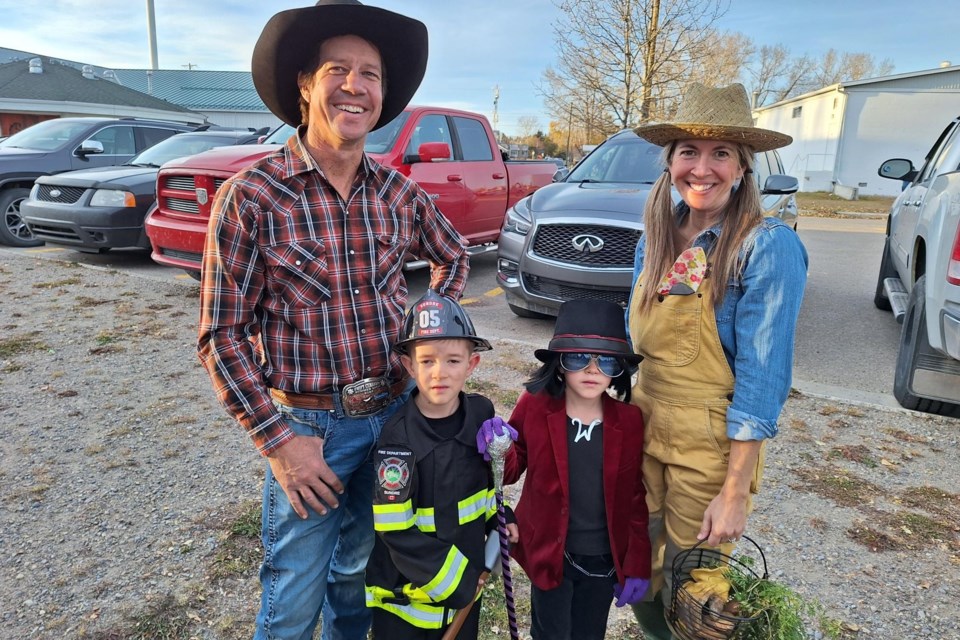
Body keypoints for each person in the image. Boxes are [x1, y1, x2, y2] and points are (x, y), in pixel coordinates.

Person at [196, 2, 470, 639]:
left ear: (382, 95)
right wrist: (280, 443)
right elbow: (221, 335)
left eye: (370, 74)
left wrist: (428, 331)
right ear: (304, 85)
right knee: (293, 591)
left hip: (393, 421)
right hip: (310, 428)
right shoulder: (254, 197)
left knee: (356, 573)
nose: (356, 85)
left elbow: (453, 257)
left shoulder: (398, 193)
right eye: (337, 69)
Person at [626, 82, 809, 638]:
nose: (702, 168)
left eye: (721, 153)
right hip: (643, 423)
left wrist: (733, 492)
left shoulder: (765, 245)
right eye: (689, 152)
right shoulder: (655, 236)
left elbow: (762, 378)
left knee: (696, 589)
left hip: (707, 445)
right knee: (642, 564)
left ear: (744, 167)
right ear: (669, 162)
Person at [365, 291, 518, 639]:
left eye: (452, 360)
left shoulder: (481, 414)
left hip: (464, 598)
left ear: (472, 364)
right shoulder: (397, 442)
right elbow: (395, 530)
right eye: (427, 360)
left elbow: (483, 488)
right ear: (409, 365)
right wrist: (458, 580)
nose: (440, 373)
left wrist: (500, 515)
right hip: (408, 604)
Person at [501, 299, 652, 640]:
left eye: (607, 361)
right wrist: (497, 446)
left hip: (602, 561)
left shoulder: (628, 421)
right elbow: (510, 469)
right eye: (579, 358)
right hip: (549, 553)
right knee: (549, 632)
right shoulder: (535, 406)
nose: (592, 370)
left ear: (620, 369)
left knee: (589, 632)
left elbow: (634, 497)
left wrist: (638, 561)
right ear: (558, 364)